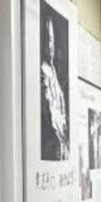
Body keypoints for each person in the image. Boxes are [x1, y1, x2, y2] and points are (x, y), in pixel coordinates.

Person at [40, 20, 68, 160]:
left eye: (52, 41)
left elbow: (61, 99)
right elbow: (48, 106)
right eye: (48, 40)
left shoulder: (53, 70)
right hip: (53, 140)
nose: (50, 46)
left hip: (60, 137)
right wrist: (59, 131)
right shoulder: (44, 70)